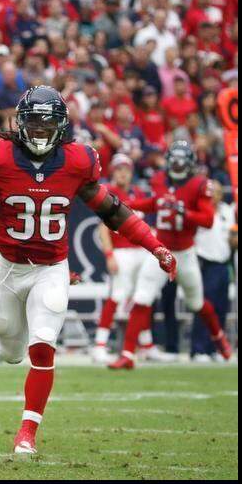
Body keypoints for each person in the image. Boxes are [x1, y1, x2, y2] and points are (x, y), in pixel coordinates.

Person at [0, 85, 177, 455]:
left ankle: (27, 432)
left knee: (43, 345)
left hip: (52, 267)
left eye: (49, 125)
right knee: (9, 350)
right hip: (10, 268)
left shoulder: (77, 161)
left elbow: (112, 210)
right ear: (21, 123)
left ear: (61, 126)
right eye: (34, 122)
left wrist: (155, 245)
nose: (42, 131)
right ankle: (25, 323)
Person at [109, 139, 232, 370]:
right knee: (142, 298)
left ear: (189, 164)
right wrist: (129, 203)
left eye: (179, 164)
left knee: (196, 302)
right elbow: (156, 203)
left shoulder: (199, 184)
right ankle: (127, 354)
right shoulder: (159, 180)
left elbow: (207, 219)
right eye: (173, 163)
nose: (175, 168)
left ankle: (219, 337)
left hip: (185, 253)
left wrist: (183, 211)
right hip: (160, 250)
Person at [91, 153, 157, 363]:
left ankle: (146, 345)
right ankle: (99, 345)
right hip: (122, 251)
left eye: (126, 169)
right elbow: (103, 228)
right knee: (117, 296)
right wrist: (110, 254)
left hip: (140, 251)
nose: (123, 173)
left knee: (143, 297)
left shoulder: (138, 193)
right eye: (119, 169)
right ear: (113, 171)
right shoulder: (109, 193)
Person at [190, 180, 236, 361]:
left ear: (221, 194)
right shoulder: (200, 209)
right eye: (211, 191)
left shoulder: (227, 211)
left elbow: (232, 238)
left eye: (217, 191)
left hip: (224, 263)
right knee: (204, 307)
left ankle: (216, 348)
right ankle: (199, 348)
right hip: (204, 262)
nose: (214, 195)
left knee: (221, 307)